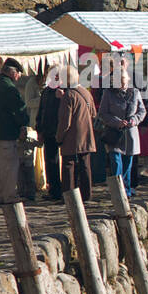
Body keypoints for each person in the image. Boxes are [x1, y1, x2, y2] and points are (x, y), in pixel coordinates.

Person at [97, 67, 146, 197]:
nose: (122, 83)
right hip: (114, 134)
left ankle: (127, 190)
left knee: (128, 164)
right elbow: (103, 113)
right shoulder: (108, 93)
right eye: (119, 80)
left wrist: (134, 121)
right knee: (116, 162)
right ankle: (118, 190)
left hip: (130, 133)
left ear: (128, 79)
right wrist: (116, 122)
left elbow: (142, 111)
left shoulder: (135, 92)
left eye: (124, 80)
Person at [0, 58, 27, 204]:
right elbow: (18, 109)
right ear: (13, 72)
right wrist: (23, 124)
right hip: (6, 131)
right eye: (18, 74)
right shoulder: (8, 87)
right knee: (9, 166)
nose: (19, 77)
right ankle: (9, 195)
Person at [54, 65, 95, 200]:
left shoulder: (69, 96)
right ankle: (87, 195)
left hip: (72, 137)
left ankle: (69, 196)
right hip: (87, 135)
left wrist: (59, 137)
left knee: (68, 167)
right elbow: (93, 114)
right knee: (85, 166)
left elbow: (65, 121)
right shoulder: (86, 92)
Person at [36, 68, 65, 201]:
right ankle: (54, 190)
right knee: (51, 161)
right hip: (48, 131)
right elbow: (41, 111)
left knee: (66, 161)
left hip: (62, 130)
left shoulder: (65, 90)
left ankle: (67, 189)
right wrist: (39, 130)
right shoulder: (46, 91)